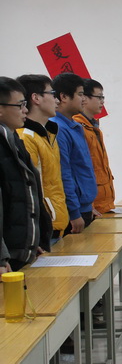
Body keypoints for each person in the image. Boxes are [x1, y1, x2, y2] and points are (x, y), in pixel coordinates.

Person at [0, 76, 52, 271]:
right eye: (20, 105)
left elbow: (27, 194)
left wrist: (32, 240)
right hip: (6, 257)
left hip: (18, 250)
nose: (25, 110)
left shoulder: (14, 139)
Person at [16, 74, 69, 243]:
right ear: (36, 98)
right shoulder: (26, 137)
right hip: (42, 227)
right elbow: (29, 190)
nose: (57, 100)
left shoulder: (48, 134)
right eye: (52, 94)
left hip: (55, 222)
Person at [50, 73, 97, 235]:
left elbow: (82, 167)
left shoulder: (75, 126)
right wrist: (74, 212)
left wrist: (89, 204)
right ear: (63, 97)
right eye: (80, 94)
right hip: (73, 212)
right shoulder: (58, 128)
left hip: (84, 206)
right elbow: (64, 173)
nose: (84, 99)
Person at [73, 79, 115, 214]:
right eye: (99, 97)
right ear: (84, 98)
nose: (102, 102)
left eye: (103, 97)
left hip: (103, 204)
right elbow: (79, 170)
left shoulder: (93, 127)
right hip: (91, 206)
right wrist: (89, 206)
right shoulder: (78, 127)